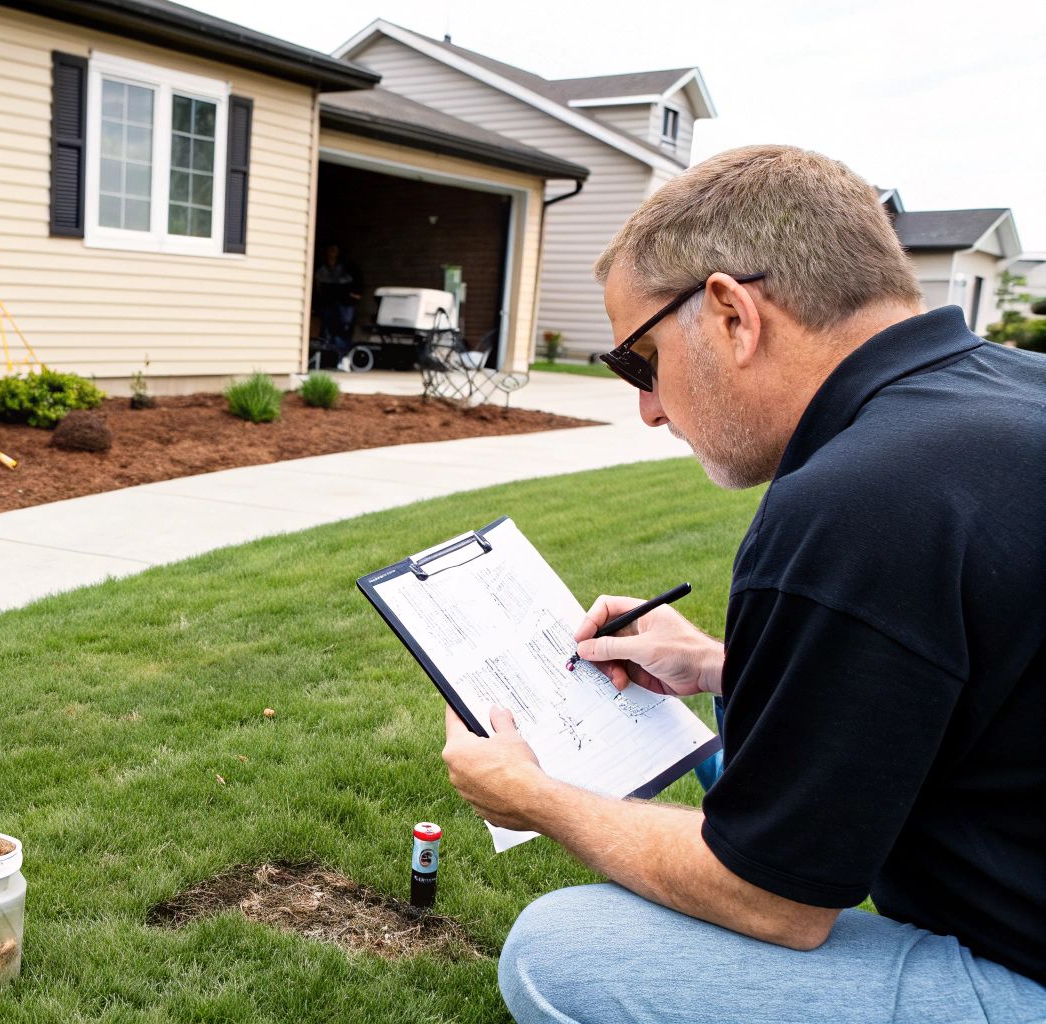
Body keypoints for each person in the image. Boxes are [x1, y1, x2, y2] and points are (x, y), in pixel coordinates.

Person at [438, 144, 1046, 1023]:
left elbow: (776, 903)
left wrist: (531, 795)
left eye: (639, 363)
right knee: (739, 726)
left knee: (559, 952)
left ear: (730, 314)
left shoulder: (854, 500)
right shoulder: (1010, 392)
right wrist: (727, 664)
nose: (647, 408)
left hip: (1021, 971)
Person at [312, 244, 363, 371]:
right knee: (327, 333)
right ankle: (328, 361)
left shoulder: (347, 267)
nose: (331, 253)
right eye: (329, 250)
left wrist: (356, 295)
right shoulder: (321, 267)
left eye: (334, 250)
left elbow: (357, 283)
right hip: (327, 304)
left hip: (344, 304)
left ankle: (343, 359)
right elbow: (316, 286)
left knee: (343, 331)